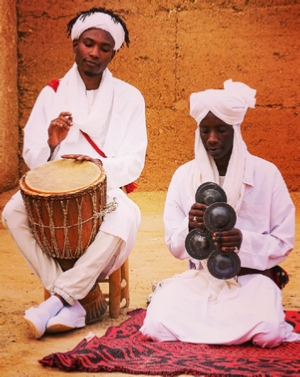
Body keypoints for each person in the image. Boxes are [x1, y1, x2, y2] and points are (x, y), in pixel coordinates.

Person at [2, 7, 147, 339]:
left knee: (124, 217)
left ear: (114, 52)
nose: (94, 53)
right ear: (75, 44)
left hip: (105, 190)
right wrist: (52, 144)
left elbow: (134, 160)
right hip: (53, 193)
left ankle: (59, 300)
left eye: (104, 47)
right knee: (12, 211)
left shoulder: (129, 98)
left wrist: (99, 166)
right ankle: (77, 299)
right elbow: (33, 159)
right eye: (88, 43)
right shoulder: (52, 94)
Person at [140, 79, 299, 348]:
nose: (212, 139)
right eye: (205, 130)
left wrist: (244, 241)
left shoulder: (266, 174)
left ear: (235, 130)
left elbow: (283, 242)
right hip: (201, 279)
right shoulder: (184, 177)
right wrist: (190, 229)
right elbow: (175, 248)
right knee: (156, 326)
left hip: (252, 282)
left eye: (221, 130)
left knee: (270, 333)